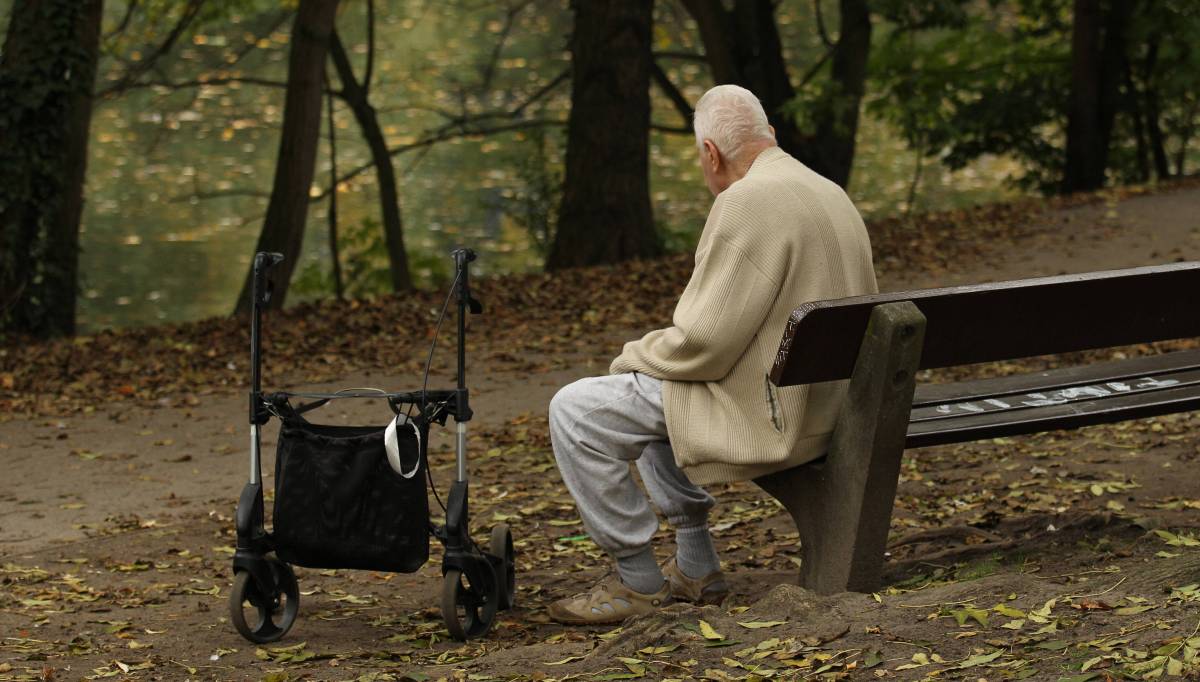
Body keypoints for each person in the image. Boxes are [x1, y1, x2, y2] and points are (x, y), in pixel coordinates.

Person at [545, 84, 879, 625]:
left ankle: (636, 581)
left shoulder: (746, 201)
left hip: (772, 414)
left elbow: (701, 343)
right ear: (770, 134)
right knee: (658, 389)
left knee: (577, 409)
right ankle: (697, 567)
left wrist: (633, 356)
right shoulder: (828, 190)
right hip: (828, 404)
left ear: (710, 153)